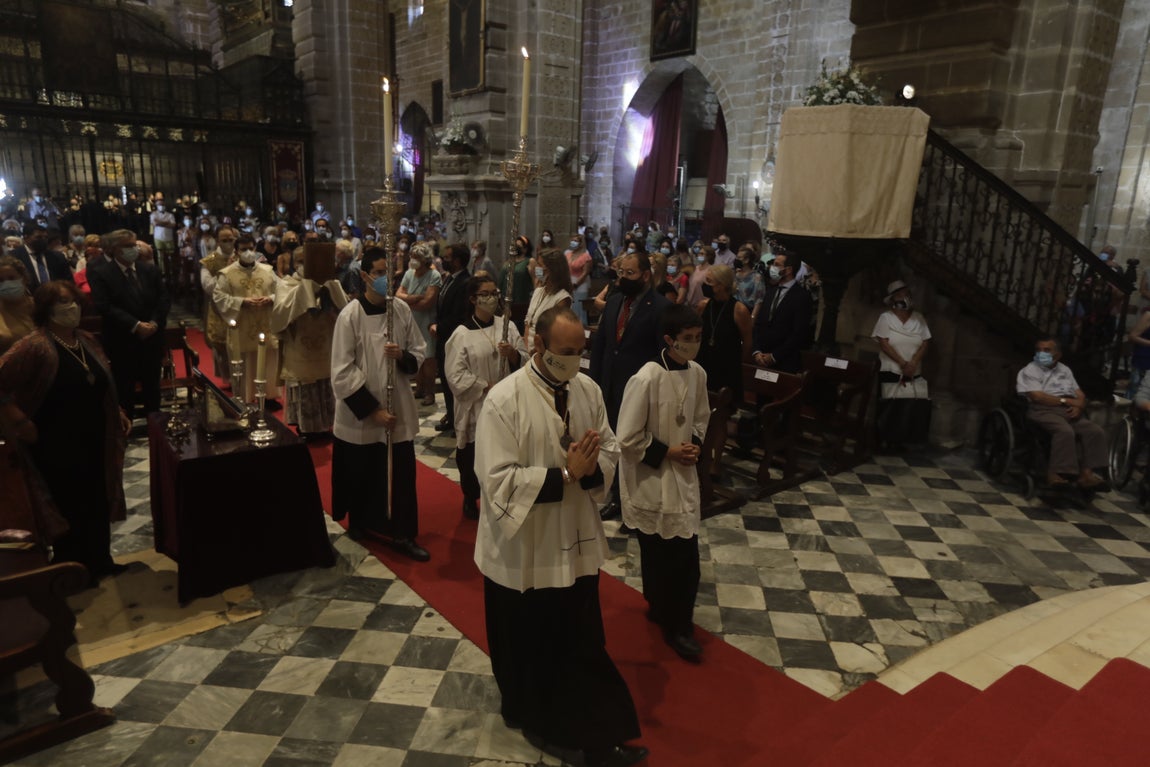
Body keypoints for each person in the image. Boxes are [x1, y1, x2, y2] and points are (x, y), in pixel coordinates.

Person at [474, 306, 646, 767]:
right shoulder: (504, 400)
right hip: (525, 549)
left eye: (579, 352)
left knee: (579, 639)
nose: (571, 360)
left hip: (573, 542)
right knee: (534, 645)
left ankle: (592, 726)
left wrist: (591, 474)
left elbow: (608, 447)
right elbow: (496, 482)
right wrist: (568, 472)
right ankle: (544, 722)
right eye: (563, 352)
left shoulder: (587, 390)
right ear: (537, 344)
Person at [0, 280, 131, 585]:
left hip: (93, 436)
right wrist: (19, 422)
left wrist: (118, 411)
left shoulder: (86, 339)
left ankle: (100, 561)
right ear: (46, 310)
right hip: (55, 440)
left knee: (96, 498)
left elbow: (100, 383)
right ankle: (70, 571)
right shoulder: (34, 346)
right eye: (62, 303)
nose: (71, 308)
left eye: (73, 302)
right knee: (68, 503)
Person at [617, 304, 709, 660]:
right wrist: (668, 451)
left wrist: (695, 445)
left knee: (685, 561)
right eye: (688, 339)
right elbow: (626, 437)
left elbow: (700, 417)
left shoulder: (698, 373)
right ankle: (659, 607)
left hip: (682, 478)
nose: (694, 345)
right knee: (656, 554)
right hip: (652, 478)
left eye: (699, 338)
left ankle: (679, 626)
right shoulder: (647, 377)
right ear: (669, 339)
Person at [330, 247, 430, 561]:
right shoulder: (351, 315)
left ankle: (402, 534)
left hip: (396, 408)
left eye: (389, 271)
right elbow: (341, 370)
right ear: (363, 276)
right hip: (362, 416)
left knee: (399, 475)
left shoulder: (400, 309)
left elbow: (419, 348)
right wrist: (374, 411)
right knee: (362, 471)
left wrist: (402, 356)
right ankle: (361, 522)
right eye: (378, 272)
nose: (386, 278)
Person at [590, 251, 672, 520]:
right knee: (615, 442)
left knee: (636, 447)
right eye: (621, 272)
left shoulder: (660, 308)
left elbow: (662, 355)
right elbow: (602, 345)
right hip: (612, 385)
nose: (622, 278)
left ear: (645, 275)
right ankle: (616, 495)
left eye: (629, 273)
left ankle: (636, 503)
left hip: (641, 390)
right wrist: (596, 384)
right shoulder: (614, 302)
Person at [444, 275, 528, 519]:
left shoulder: (507, 326)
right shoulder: (461, 334)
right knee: (472, 454)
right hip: (476, 406)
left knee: (504, 451)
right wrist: (485, 386)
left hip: (507, 404)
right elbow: (455, 375)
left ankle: (503, 494)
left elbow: (526, 360)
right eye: (485, 294)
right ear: (473, 299)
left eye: (494, 293)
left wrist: (512, 354)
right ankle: (471, 496)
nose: (491, 299)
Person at [88, 229, 170, 418]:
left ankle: (156, 432)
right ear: (115, 249)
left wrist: (154, 323)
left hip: (151, 340)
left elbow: (163, 299)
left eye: (134, 245)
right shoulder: (102, 272)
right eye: (128, 246)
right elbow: (104, 306)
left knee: (153, 390)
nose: (134, 249)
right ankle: (126, 430)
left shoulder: (148, 269)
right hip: (122, 341)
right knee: (125, 391)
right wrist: (135, 325)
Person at [271, 246, 348, 436]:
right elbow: (279, 316)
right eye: (301, 262)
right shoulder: (287, 284)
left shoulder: (331, 284)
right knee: (306, 387)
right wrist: (306, 290)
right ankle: (305, 428)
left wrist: (329, 290)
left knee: (325, 386)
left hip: (325, 347)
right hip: (300, 349)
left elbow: (345, 310)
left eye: (309, 262)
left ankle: (326, 425)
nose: (305, 266)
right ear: (294, 264)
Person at [1016, 336, 1109, 490]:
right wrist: (1068, 402)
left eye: (1047, 350)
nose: (1041, 353)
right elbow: (1038, 397)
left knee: (1095, 431)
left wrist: (1078, 407)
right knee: (1065, 431)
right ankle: (1055, 474)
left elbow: (1079, 394)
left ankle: (1086, 474)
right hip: (1042, 410)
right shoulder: (1030, 370)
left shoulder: (1065, 370)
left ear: (1058, 354)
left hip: (1067, 411)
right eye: (1038, 350)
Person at [212, 234, 280, 404]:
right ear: (236, 251)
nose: (248, 252)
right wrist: (242, 302)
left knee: (268, 360)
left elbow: (281, 291)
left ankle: (269, 396)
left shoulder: (267, 270)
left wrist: (271, 299)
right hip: (242, 326)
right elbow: (219, 297)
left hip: (265, 323)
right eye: (243, 249)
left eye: (251, 248)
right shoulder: (227, 274)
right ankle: (246, 397)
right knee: (246, 361)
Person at [873, 280, 932, 450]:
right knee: (889, 406)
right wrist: (902, 362)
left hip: (912, 370)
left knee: (906, 406)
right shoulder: (886, 318)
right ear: (893, 299)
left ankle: (899, 441)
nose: (906, 297)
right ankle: (882, 440)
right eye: (902, 294)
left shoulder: (918, 318)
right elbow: (884, 342)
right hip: (891, 368)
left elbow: (925, 343)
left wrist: (913, 362)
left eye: (908, 294)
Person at [431, 243, 471, 432]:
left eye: (447, 258)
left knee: (454, 381)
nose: (444, 261)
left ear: (457, 260)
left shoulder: (465, 282)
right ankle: (451, 415)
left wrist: (440, 327)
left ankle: (458, 420)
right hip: (443, 338)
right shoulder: (449, 279)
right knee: (446, 380)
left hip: (452, 337)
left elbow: (459, 315)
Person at [696, 265, 752, 400]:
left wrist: (737, 363)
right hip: (704, 364)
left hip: (727, 368)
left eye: (709, 281)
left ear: (721, 285)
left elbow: (748, 342)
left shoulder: (739, 310)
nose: (705, 284)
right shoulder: (703, 305)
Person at [751, 250, 812, 373]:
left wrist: (774, 356)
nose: (772, 267)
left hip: (784, 362)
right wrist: (757, 351)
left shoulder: (802, 296)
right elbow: (759, 324)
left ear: (788, 270)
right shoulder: (770, 292)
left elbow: (799, 333)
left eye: (777, 264)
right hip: (761, 359)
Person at [397, 243, 442, 405]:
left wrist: (407, 299)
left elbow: (427, 303)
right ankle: (419, 388)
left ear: (424, 260)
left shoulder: (434, 275)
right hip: (411, 321)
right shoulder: (409, 273)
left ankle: (430, 392)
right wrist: (413, 298)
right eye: (412, 257)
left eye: (416, 258)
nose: (413, 260)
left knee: (428, 359)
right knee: (416, 356)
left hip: (427, 321)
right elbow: (398, 294)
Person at [524, 249, 574, 351]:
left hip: (544, 351)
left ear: (551, 269)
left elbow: (553, 332)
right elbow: (528, 324)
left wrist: (535, 353)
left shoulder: (562, 298)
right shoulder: (538, 291)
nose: (536, 268)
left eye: (539, 264)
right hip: (528, 349)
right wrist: (525, 349)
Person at [13, 222, 71, 291]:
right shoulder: (14, 257)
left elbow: (68, 281)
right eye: (38, 237)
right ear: (26, 238)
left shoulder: (58, 257)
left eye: (45, 237)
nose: (43, 240)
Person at [0, 256, 34, 354]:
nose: (6, 284)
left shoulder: (38, 304)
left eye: (11, 278)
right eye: (0, 281)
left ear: (24, 278)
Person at [566, 233, 593, 325]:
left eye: (576, 241)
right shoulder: (568, 254)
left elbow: (585, 273)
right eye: (572, 240)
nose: (573, 242)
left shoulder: (586, 256)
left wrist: (576, 284)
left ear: (581, 243)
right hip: (569, 282)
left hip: (580, 284)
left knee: (579, 309)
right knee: (570, 308)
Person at [684, 243, 714, 309]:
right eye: (699, 253)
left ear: (708, 256)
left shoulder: (710, 271)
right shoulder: (695, 268)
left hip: (701, 306)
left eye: (702, 254)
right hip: (689, 304)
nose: (699, 255)